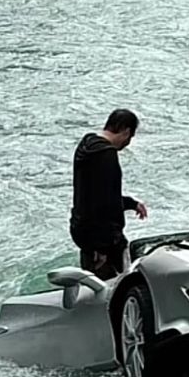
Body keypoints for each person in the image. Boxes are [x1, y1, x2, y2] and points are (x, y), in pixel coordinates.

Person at [69, 108, 148, 280]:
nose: (128, 142)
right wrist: (104, 246)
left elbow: (92, 193)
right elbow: (106, 202)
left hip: (82, 231)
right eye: (130, 137)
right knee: (114, 288)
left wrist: (130, 203)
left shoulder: (86, 145)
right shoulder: (107, 155)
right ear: (126, 131)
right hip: (101, 240)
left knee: (91, 288)